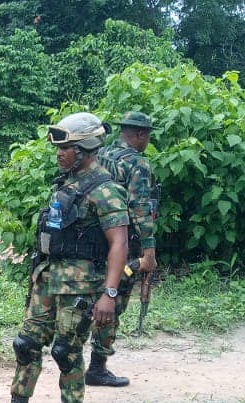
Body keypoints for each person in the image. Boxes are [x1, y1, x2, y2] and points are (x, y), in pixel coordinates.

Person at [0, 112, 129, 403]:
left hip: (81, 286)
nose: (60, 153)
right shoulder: (66, 183)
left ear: (86, 149)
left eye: (67, 148)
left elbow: (119, 243)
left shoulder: (105, 190)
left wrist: (110, 294)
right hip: (48, 278)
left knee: (65, 350)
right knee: (26, 343)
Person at [87, 111, 159, 388]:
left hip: (94, 238)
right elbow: (141, 210)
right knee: (114, 299)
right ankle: (97, 366)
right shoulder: (137, 164)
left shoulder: (100, 153)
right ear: (140, 134)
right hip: (123, 242)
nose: (148, 140)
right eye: (148, 135)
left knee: (90, 294)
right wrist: (148, 252)